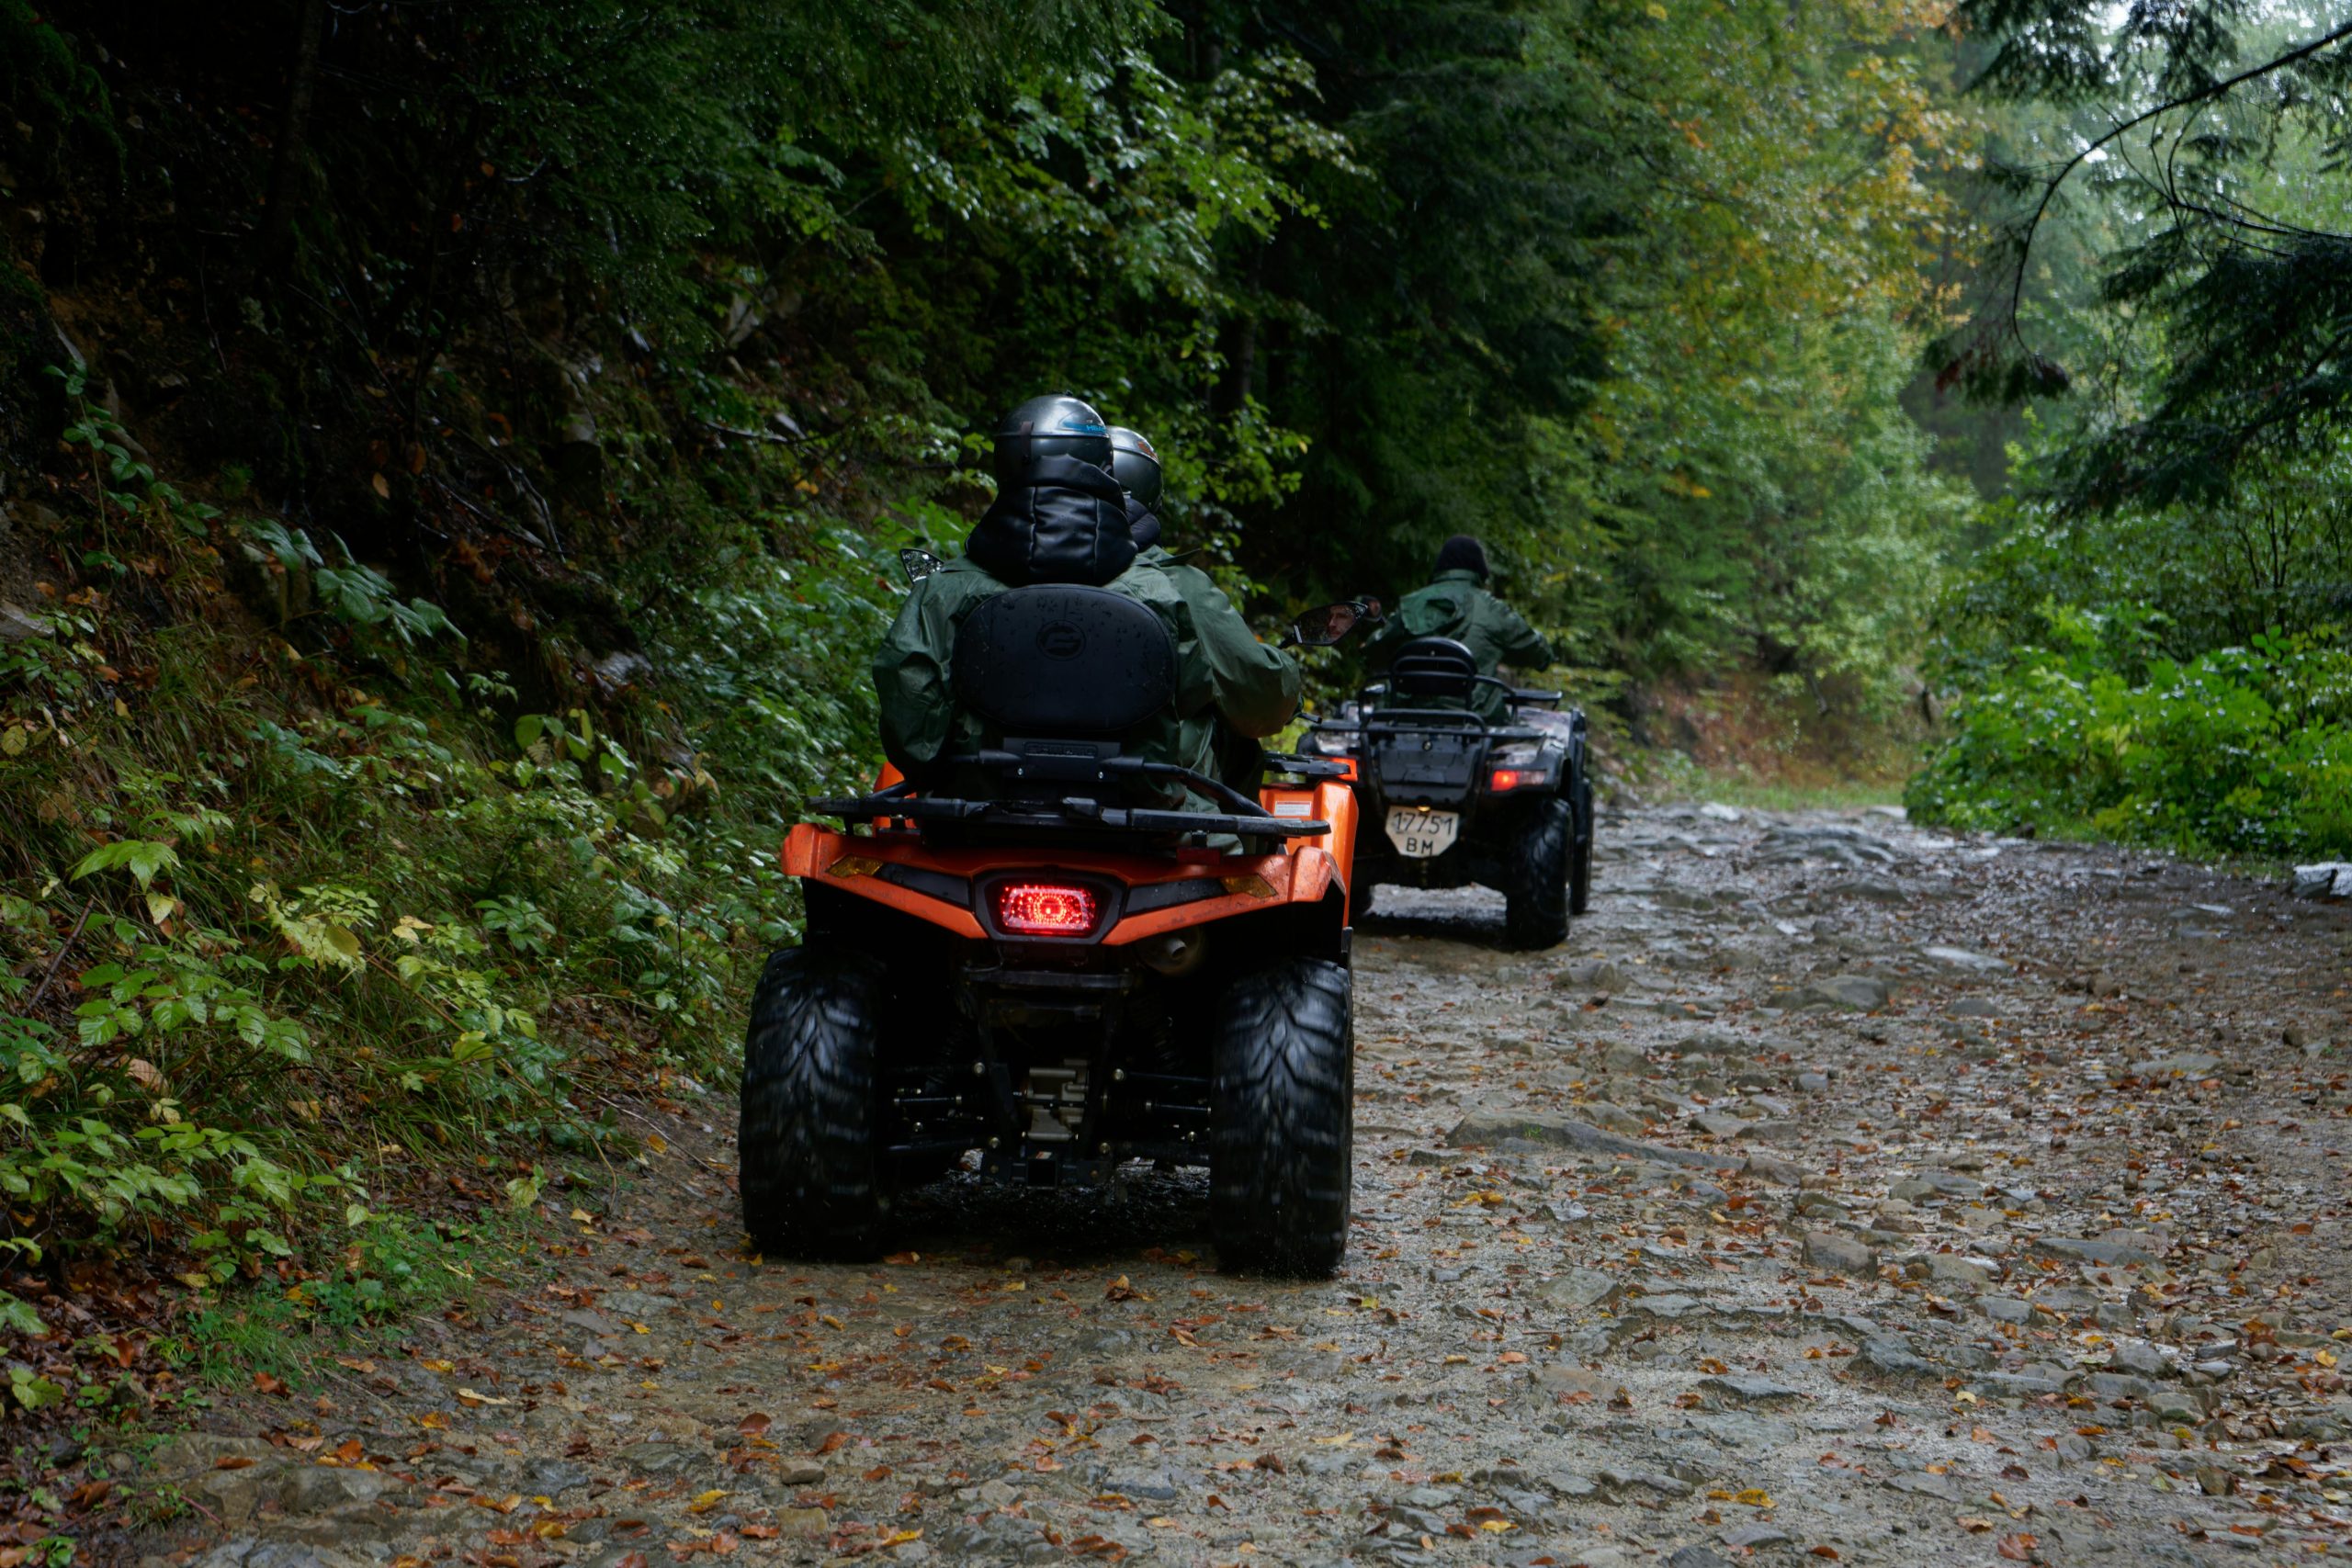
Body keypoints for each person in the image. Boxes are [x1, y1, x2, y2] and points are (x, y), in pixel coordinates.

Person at [873, 397, 1301, 809]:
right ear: (1105, 471)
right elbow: (1235, 699)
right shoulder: (1168, 589)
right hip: (1150, 820)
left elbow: (910, 724)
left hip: (974, 815)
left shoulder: (946, 588)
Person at [1106, 425, 1294, 792]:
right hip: (1161, 812)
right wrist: (1287, 679)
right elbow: (1261, 700)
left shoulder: (995, 579)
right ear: (1150, 495)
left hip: (1009, 803)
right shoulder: (1180, 586)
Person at [1365, 535, 1554, 721]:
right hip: (1475, 720)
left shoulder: (1411, 605)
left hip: (1404, 717)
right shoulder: (1491, 609)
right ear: (1480, 570)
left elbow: (1373, 653)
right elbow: (1540, 654)